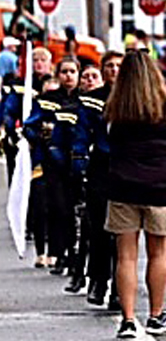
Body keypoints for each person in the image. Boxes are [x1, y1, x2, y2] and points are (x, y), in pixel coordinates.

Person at [103, 50, 166, 339]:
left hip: (123, 185)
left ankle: (128, 318)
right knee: (158, 253)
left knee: (126, 256)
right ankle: (156, 315)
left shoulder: (115, 109)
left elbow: (108, 140)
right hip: (159, 187)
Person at [25, 58, 84, 285]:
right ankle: (60, 253)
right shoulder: (47, 101)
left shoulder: (85, 101)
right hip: (54, 162)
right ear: (58, 75)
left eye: (73, 71)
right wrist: (42, 138)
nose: (69, 76)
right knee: (59, 209)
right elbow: (30, 126)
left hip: (78, 162)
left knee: (79, 212)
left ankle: (77, 255)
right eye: (64, 72)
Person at [75, 51, 121, 308]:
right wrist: (79, 160)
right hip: (101, 167)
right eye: (109, 66)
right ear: (103, 71)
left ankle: (118, 285)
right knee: (100, 228)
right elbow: (82, 133)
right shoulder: (91, 101)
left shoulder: (132, 99)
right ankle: (99, 280)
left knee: (122, 232)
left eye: (118, 66)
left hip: (126, 168)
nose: (114, 70)